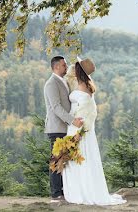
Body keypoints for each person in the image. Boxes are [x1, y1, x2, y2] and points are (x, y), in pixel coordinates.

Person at [61, 57, 127, 206]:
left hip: (78, 128)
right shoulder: (85, 85)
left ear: (79, 71)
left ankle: (81, 191)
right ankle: (82, 189)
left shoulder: (83, 87)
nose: (73, 68)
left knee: (78, 158)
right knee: (79, 158)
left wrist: (78, 130)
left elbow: (87, 113)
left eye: (76, 67)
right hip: (77, 126)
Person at [43, 55, 84, 203]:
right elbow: (56, 108)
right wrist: (72, 121)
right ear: (56, 67)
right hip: (56, 127)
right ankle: (55, 194)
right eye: (64, 65)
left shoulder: (64, 81)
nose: (66, 67)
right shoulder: (51, 84)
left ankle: (63, 192)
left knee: (62, 160)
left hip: (64, 127)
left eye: (66, 65)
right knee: (56, 160)